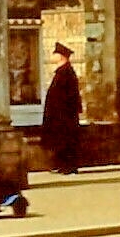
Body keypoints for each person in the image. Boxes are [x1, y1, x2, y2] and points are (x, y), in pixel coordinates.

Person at [41, 41, 83, 173]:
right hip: (60, 116)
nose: (53, 56)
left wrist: (61, 114)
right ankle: (62, 165)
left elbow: (68, 97)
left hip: (64, 116)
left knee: (66, 141)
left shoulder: (66, 73)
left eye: (55, 53)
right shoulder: (62, 72)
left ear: (61, 56)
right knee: (60, 141)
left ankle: (68, 166)